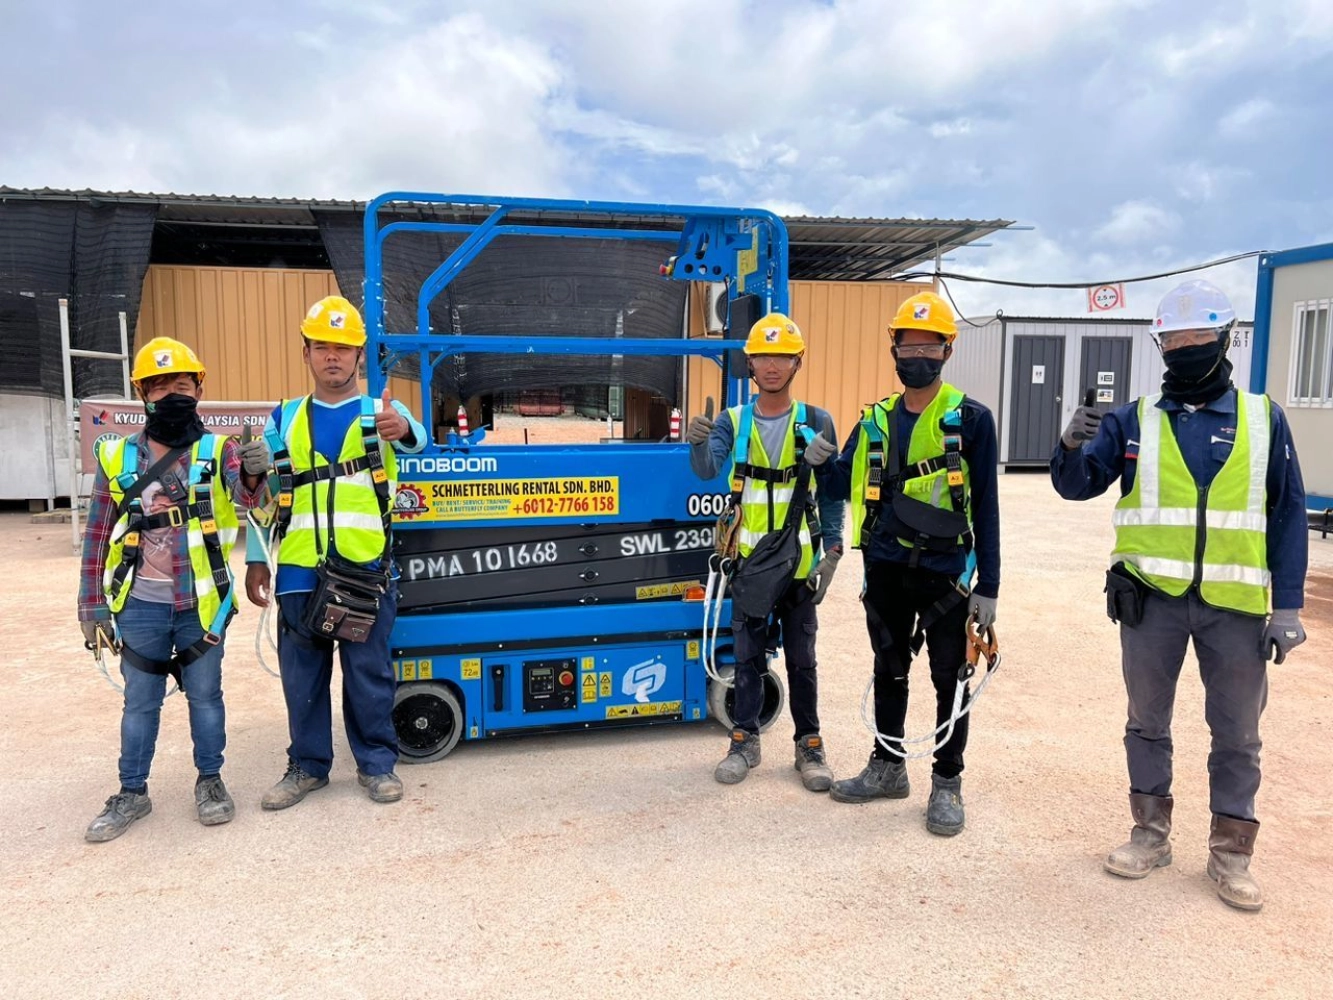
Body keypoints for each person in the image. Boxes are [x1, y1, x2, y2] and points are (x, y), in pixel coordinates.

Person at [1051, 279, 1307, 911]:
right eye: (1176, 339)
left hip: (1237, 609)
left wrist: (1289, 607)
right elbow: (1077, 487)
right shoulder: (1133, 420)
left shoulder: (1261, 418)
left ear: (1224, 341)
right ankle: (1149, 833)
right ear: (1160, 345)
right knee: (1146, 722)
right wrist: (1069, 442)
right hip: (1152, 603)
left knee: (1238, 734)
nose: (1187, 348)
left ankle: (1230, 854)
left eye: (1200, 338)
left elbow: (1288, 514)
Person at [819, 291, 1000, 837]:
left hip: (947, 573)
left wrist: (989, 584)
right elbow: (837, 485)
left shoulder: (971, 419)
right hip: (886, 568)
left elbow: (987, 505)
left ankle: (947, 782)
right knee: (889, 669)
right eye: (908, 344)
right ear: (893, 349)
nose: (916, 354)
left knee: (951, 677)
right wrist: (819, 463)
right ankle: (887, 767)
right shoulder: (872, 422)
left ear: (947, 350)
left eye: (929, 345)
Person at [77, 337, 269, 841]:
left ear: (199, 388)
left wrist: (252, 472)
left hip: (201, 604)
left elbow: (248, 498)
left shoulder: (218, 450)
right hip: (138, 604)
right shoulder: (118, 457)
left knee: (206, 697)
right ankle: (132, 793)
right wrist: (91, 604)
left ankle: (210, 781)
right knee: (140, 701)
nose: (171, 394)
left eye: (182, 384)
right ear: (142, 393)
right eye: (160, 386)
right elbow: (98, 532)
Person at [245, 295, 426, 810]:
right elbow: (262, 495)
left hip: (364, 570)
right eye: (322, 346)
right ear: (305, 352)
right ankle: (307, 766)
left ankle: (377, 765)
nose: (333, 357)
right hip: (300, 570)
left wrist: (406, 429)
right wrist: (257, 557)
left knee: (368, 672)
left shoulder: (383, 413)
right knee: (302, 675)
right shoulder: (283, 418)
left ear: (359, 356)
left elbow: (417, 445)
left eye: (343, 348)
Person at [686, 312, 844, 789]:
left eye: (781, 356)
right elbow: (706, 470)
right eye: (762, 356)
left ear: (796, 362)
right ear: (749, 363)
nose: (771, 365)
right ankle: (744, 741)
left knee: (802, 659)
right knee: (749, 657)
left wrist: (833, 549)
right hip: (751, 564)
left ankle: (810, 747)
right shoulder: (732, 422)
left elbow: (833, 492)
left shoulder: (816, 421)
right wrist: (696, 445)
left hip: (798, 564)